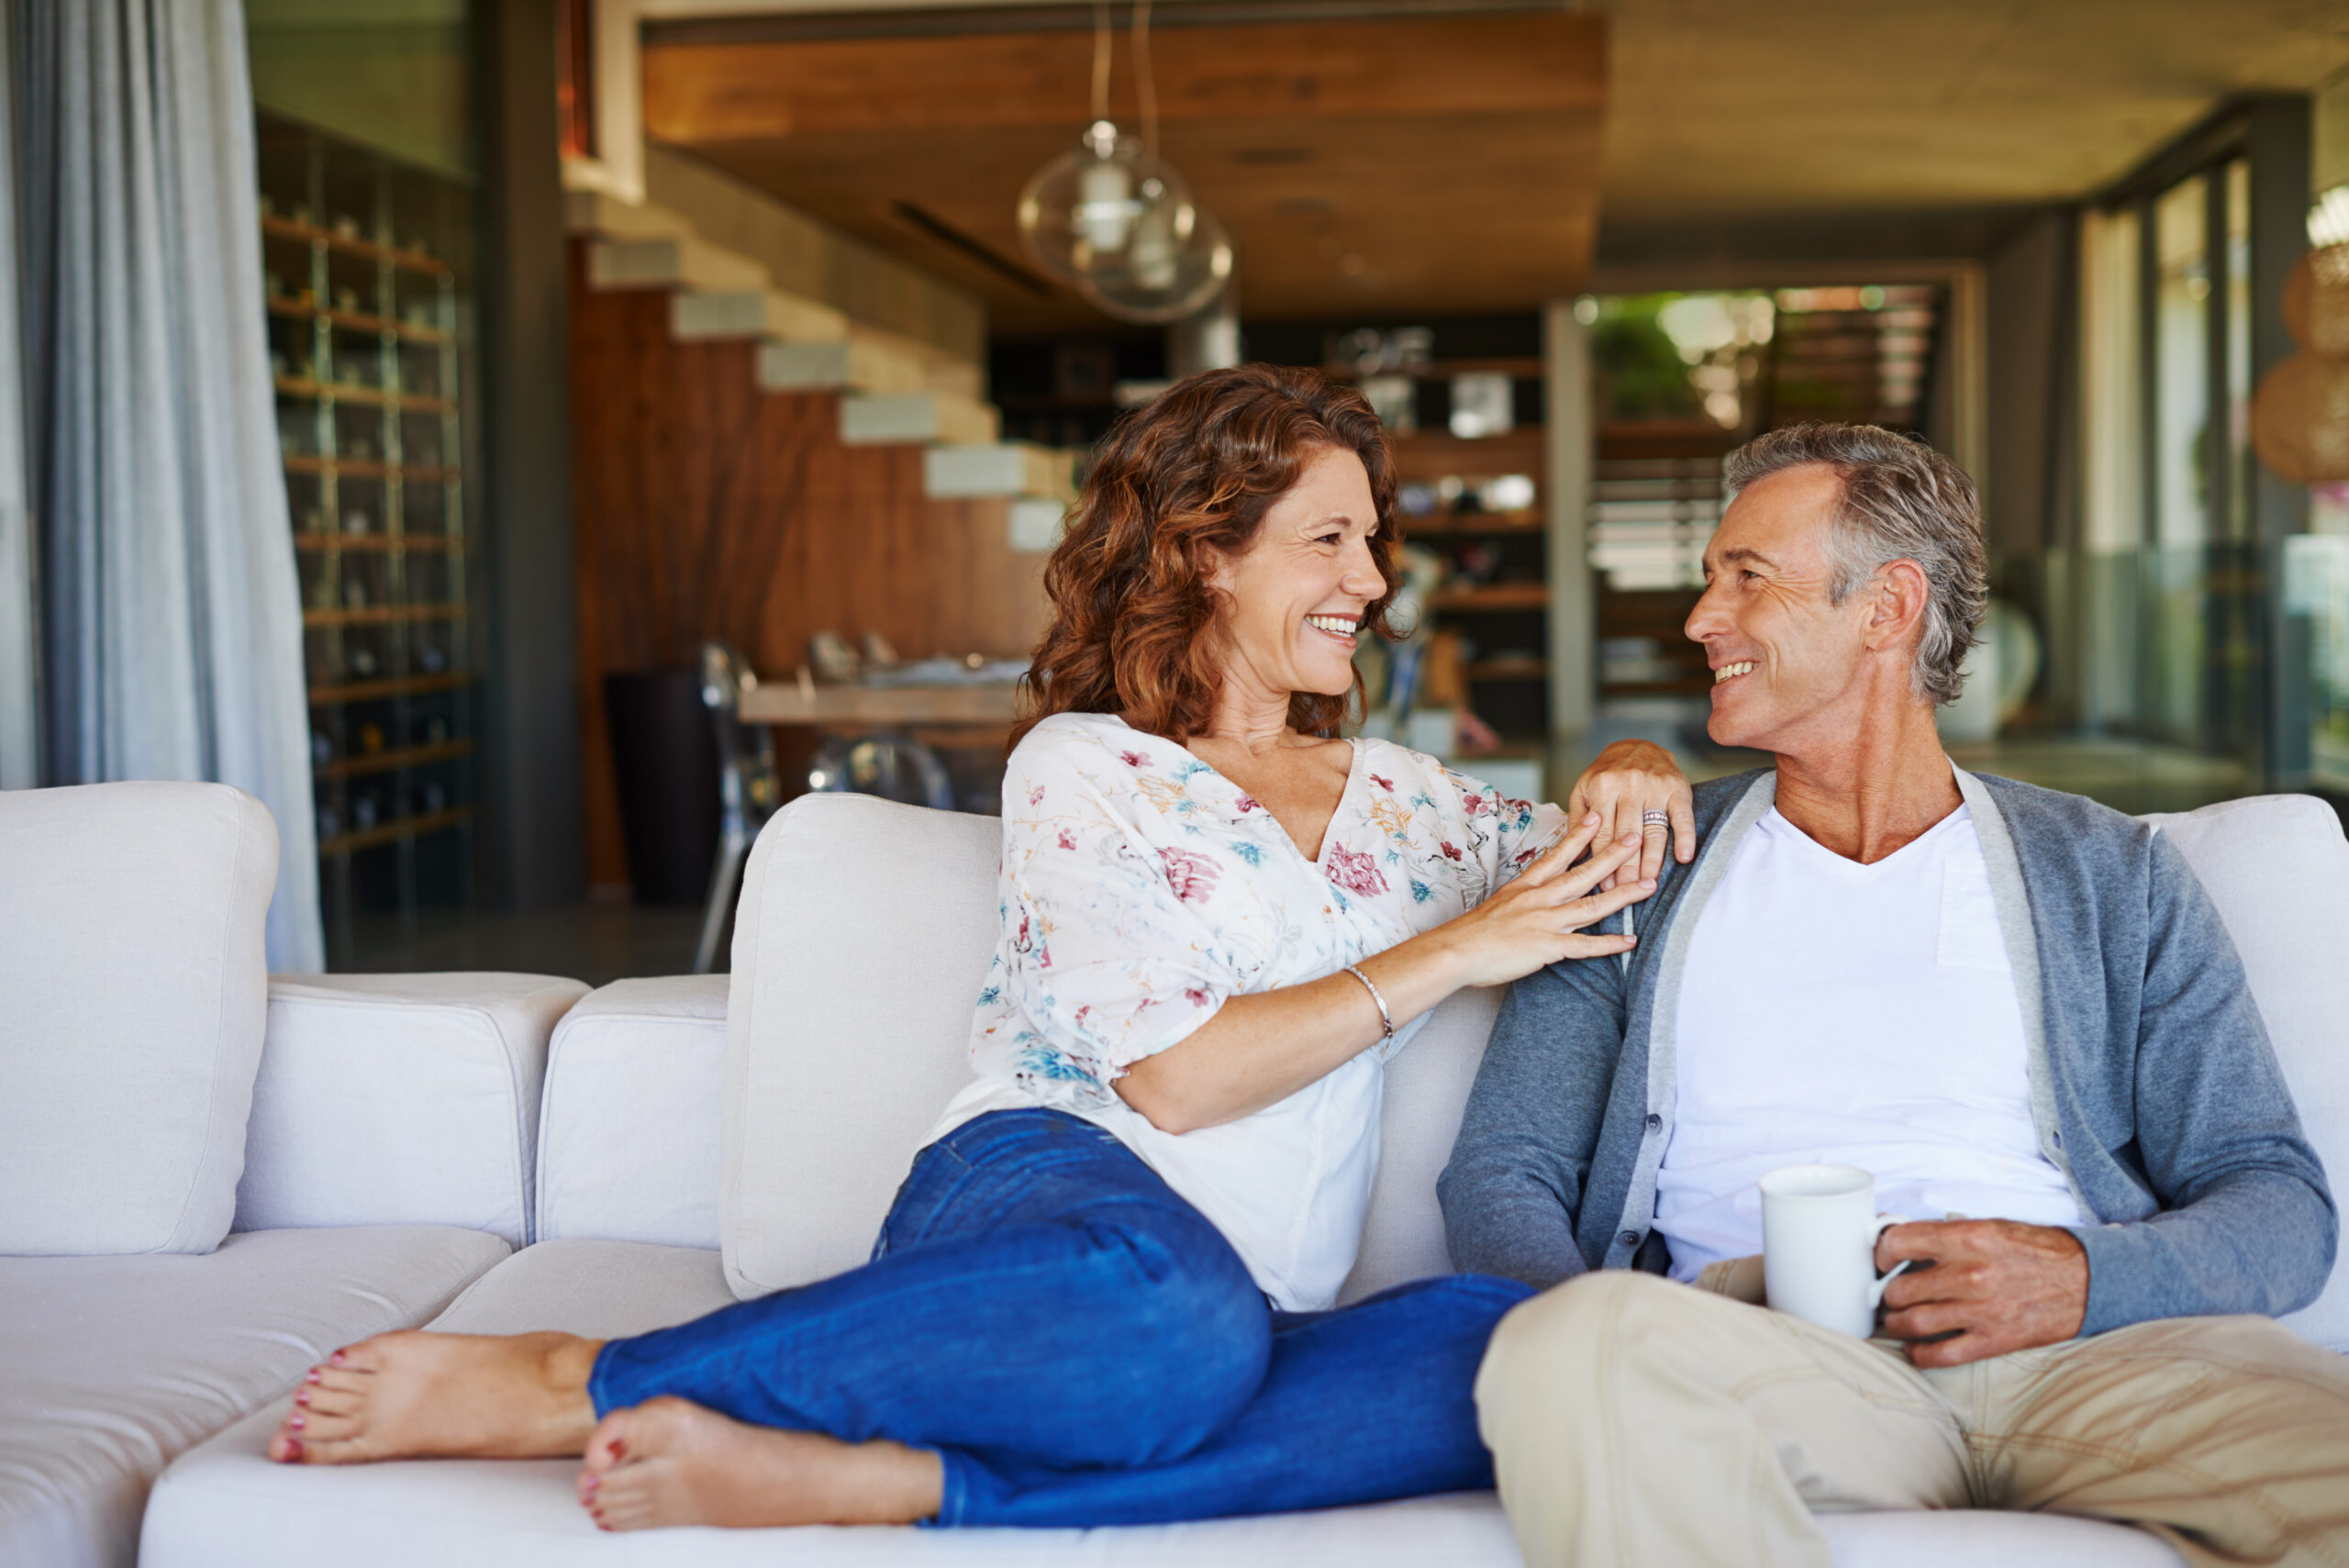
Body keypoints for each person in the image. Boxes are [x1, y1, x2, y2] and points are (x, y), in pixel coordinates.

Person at [262, 364, 1695, 1534]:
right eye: (1330, 538)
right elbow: (1178, 1084)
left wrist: (1635, 756)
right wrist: (1453, 956)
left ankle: (892, 1484)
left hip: (1256, 1308)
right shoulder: (1087, 769)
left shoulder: (1407, 799)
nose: (1372, 580)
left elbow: (1591, 842)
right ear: (1204, 551)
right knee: (1170, 1320)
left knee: (1518, 1351)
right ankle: (581, 1379)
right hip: (1046, 1199)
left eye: (1373, 540)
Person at [1441, 420, 2349, 1568]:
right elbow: (1501, 1170)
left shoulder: (2109, 872)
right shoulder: (1639, 866)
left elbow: (2278, 1202)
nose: (1698, 617)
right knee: (1570, 1349)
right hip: (1769, 1352)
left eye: (1746, 577)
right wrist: (1601, 1334)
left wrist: (2078, 1276)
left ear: (1885, 609)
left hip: (2087, 1349)